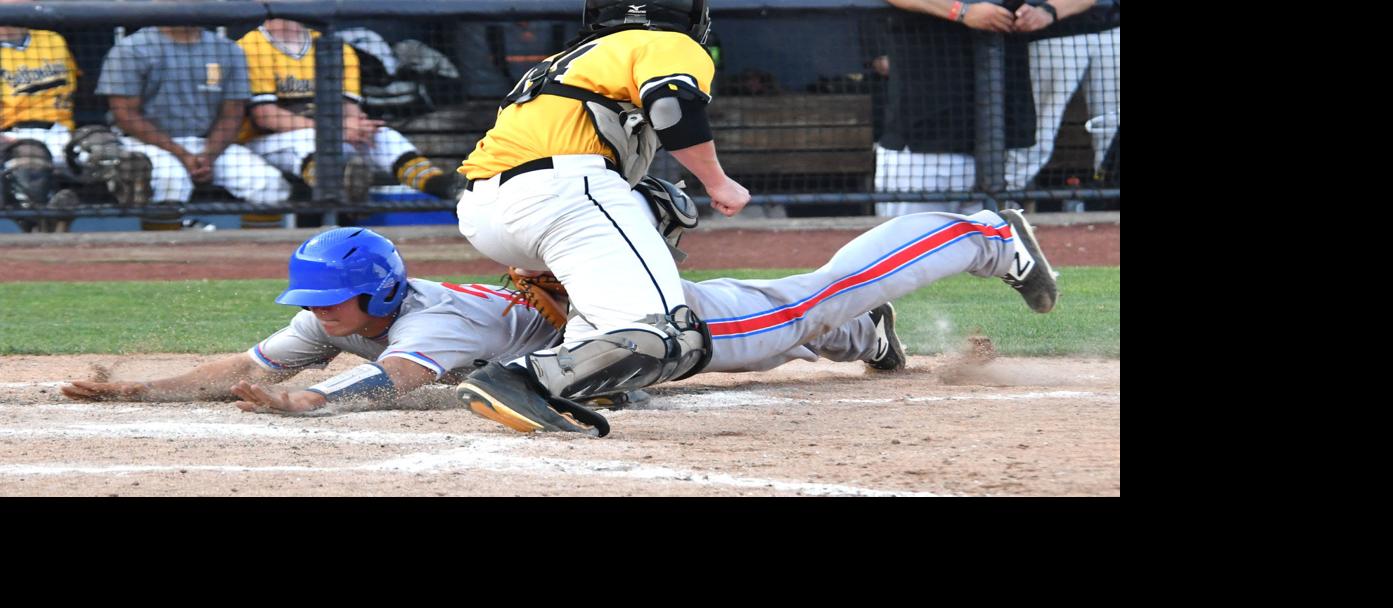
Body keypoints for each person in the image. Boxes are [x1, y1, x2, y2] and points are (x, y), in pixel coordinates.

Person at [60, 205, 1059, 435]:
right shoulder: (346, 315)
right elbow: (243, 358)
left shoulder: (430, 322)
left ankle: (973, 232)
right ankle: (866, 339)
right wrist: (125, 388)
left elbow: (397, 381)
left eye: (328, 301)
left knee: (812, 292)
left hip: (672, 324)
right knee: (792, 327)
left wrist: (307, 405)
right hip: (636, 337)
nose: (315, 316)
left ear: (373, 290)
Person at [455, 0, 750, 406]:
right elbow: (671, 107)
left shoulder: (565, 60)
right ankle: (519, 379)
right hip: (561, 194)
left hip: (486, 213)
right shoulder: (664, 41)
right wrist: (719, 183)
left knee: (656, 203)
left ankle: (586, 374)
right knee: (668, 336)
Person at [235, 18, 462, 215]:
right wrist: (338, 130)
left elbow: (349, 107)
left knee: (382, 136)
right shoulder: (248, 46)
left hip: (327, 133)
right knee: (304, 141)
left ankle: (444, 186)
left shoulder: (335, 46)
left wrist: (357, 126)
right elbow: (266, 117)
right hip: (264, 141)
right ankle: (341, 192)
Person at [95, 22, 290, 230]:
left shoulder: (227, 49)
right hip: (144, 142)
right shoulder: (132, 47)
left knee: (269, 185)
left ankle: (254, 258)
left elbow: (233, 112)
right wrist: (182, 155)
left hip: (209, 143)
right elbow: (126, 115)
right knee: (171, 182)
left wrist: (209, 155)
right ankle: (162, 254)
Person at [874, 1, 1035, 217]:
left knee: (994, 248)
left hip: (999, 147)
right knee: (915, 248)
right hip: (924, 146)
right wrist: (962, 12)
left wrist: (1045, 11)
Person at [1, 5, 148, 231]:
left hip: (60, 133)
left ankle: (134, 201)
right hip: (12, 136)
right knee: (30, 159)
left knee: (104, 146)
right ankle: (43, 221)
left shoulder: (52, 40)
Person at [1003, 0, 1118, 192]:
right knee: (1038, 127)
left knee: (1112, 124)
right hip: (1051, 30)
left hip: (1112, 26)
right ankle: (1005, 200)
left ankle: (1112, 196)